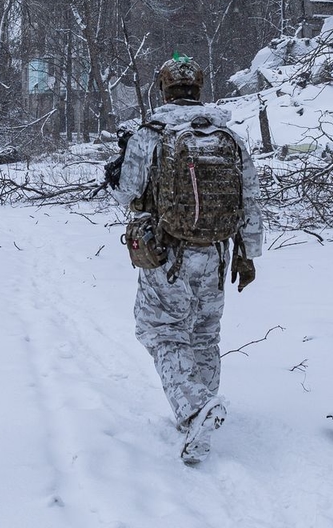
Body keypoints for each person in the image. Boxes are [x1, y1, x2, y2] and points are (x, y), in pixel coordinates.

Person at [112, 55, 263, 464]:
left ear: (163, 89)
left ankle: (195, 410)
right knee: (203, 333)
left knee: (161, 331)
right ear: (199, 89)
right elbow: (250, 198)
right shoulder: (227, 134)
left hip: (167, 253)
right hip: (216, 253)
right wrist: (248, 253)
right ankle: (206, 406)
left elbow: (128, 194)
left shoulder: (151, 133)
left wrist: (115, 172)